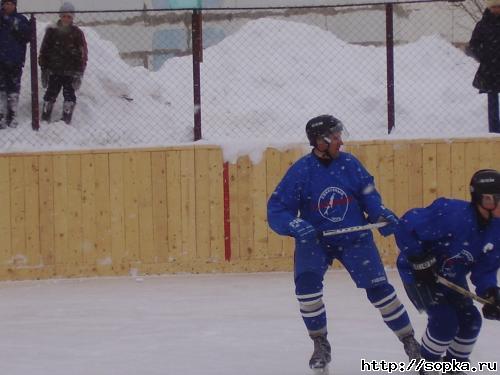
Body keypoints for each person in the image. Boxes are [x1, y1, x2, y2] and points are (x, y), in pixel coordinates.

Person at [267, 115, 420, 372]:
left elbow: (369, 196)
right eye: (335, 137)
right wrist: (294, 225)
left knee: (380, 289)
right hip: (315, 240)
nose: (340, 141)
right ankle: (320, 343)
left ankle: (410, 341)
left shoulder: (350, 164)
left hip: (354, 238)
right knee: (306, 287)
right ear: (320, 141)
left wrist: (379, 213)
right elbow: (277, 209)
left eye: (339, 135)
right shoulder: (302, 170)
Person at [395, 169, 500, 375]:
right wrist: (418, 258)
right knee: (444, 322)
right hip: (418, 274)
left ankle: (453, 368)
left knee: (471, 321)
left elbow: (485, 268)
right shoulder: (452, 214)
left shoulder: (497, 230)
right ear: (485, 200)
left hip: (451, 276)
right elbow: (405, 225)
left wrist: (490, 291)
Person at [38, 1, 87, 125]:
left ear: (72, 18)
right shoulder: (51, 31)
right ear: (60, 16)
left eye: (69, 16)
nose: (66, 18)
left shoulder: (77, 33)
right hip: (54, 70)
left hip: (71, 71)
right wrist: (44, 68)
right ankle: (45, 117)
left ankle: (66, 120)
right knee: (50, 94)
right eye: (64, 15)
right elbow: (44, 50)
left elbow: (83, 53)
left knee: (69, 95)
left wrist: (80, 72)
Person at [467, 0, 500, 133]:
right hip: (490, 68)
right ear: (489, 8)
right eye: (494, 7)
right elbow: (473, 45)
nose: (497, 9)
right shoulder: (483, 25)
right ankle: (494, 132)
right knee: (492, 101)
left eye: (499, 6)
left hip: (491, 67)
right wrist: (485, 56)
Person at [0, 0, 30, 129]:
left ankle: (12, 115)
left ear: (15, 5)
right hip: (0, 61)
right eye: (5, 3)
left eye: (11, 3)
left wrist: (15, 25)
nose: (8, 6)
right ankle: (1, 115)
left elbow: (28, 36)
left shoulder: (21, 19)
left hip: (15, 61)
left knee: (13, 88)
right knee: (1, 88)